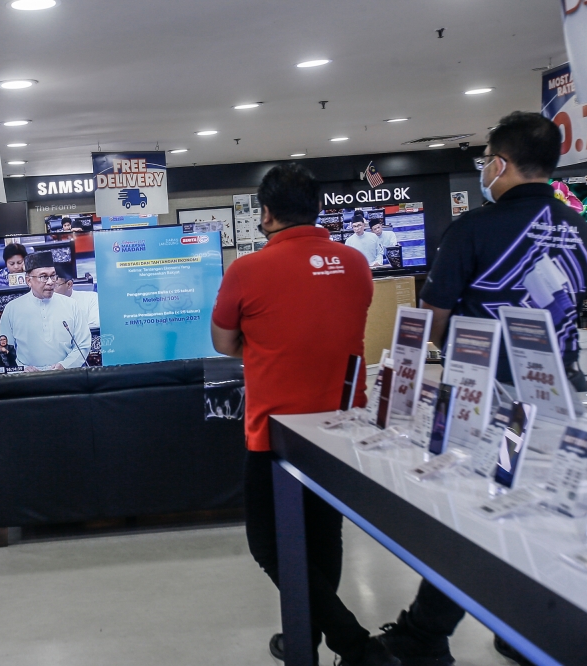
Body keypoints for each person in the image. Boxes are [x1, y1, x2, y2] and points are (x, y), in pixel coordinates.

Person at [377, 112, 587, 666]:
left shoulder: (473, 229)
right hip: (560, 391)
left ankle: (426, 634)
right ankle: (526, 625)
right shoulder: (581, 230)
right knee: (546, 510)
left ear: (499, 164)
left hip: (495, 400)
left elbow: (435, 318)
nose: (484, 172)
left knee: (475, 513)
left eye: (485, 162)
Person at [211, 164, 397, 666]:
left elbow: (224, 341)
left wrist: (266, 342)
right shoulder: (356, 263)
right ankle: (305, 638)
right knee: (323, 537)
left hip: (274, 432)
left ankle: (353, 646)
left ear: (264, 214)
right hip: (341, 426)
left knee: (269, 544)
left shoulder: (246, 270)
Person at [0, 251, 91, 371]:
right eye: (43, 277)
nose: (50, 282)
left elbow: (83, 344)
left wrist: (66, 365)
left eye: (53, 275)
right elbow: (5, 348)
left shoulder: (71, 305)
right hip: (27, 379)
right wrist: (22, 368)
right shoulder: (12, 309)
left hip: (66, 375)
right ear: (28, 281)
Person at [53, 262, 100, 329]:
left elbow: (95, 327)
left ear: (69, 284)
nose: (49, 289)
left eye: (54, 286)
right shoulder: (41, 303)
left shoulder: (91, 299)